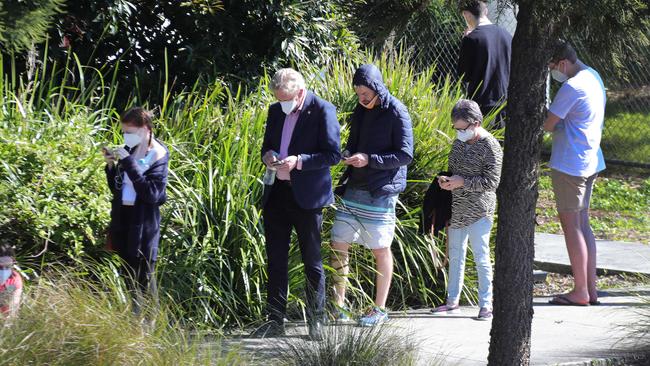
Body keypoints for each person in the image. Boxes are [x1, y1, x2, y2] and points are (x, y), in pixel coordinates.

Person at [253, 68, 341, 340]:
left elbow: (333, 154)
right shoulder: (275, 110)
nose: (283, 104)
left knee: (312, 261)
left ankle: (316, 320)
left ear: (300, 92)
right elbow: (267, 145)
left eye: (287, 99)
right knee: (276, 259)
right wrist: (268, 155)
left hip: (307, 196)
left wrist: (299, 161)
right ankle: (274, 320)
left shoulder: (323, 110)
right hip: (277, 192)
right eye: (279, 98)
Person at [330, 64, 414, 327]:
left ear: (377, 87)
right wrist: (348, 154)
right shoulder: (360, 110)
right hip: (354, 185)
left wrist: (369, 159)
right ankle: (337, 306)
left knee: (380, 248)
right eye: (358, 92)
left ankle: (379, 308)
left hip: (381, 190)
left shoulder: (397, 111)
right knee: (338, 242)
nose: (361, 97)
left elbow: (405, 155)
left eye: (365, 92)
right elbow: (355, 144)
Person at [544, 41, 606, 306]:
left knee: (572, 228)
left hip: (571, 164)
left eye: (552, 68)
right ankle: (589, 290)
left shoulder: (572, 86)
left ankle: (580, 291)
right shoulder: (593, 75)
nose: (553, 73)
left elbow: (548, 124)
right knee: (583, 225)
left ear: (562, 64)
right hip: (590, 159)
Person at [430, 99, 502, 320]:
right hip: (458, 207)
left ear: (476, 123)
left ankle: (486, 304)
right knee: (455, 254)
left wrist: (463, 182)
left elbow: (492, 182)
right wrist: (447, 181)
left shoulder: (491, 146)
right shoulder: (459, 143)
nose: (459, 132)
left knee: (481, 256)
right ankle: (452, 301)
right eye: (456, 128)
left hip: (480, 210)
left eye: (463, 128)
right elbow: (455, 171)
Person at [103, 107, 169, 312]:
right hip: (124, 219)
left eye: (130, 132)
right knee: (128, 277)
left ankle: (152, 329)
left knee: (145, 278)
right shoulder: (129, 149)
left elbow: (152, 194)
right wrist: (112, 165)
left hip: (144, 223)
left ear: (146, 129)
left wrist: (129, 163)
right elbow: (117, 187)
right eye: (124, 132)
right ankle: (135, 329)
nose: (126, 136)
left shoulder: (158, 154)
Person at [457, 0, 512, 128]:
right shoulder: (507, 36)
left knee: (480, 147)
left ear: (467, 15)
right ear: (485, 11)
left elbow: (463, 75)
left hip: (481, 105)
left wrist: (464, 40)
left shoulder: (471, 39)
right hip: (505, 103)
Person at [0, 244, 22, 320]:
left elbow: (11, 305)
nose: (3, 271)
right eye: (0, 267)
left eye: (8, 267)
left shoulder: (14, 280)